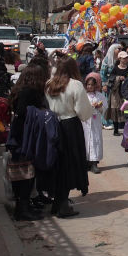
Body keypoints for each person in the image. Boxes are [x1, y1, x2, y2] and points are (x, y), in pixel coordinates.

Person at [45, 57, 93, 218]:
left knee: (58, 164)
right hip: (70, 127)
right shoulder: (75, 85)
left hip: (53, 125)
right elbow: (84, 111)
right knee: (70, 164)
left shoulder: (49, 84)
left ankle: (58, 202)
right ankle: (63, 204)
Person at [7, 60, 48, 221]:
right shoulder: (29, 92)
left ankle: (24, 206)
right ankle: (22, 209)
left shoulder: (20, 90)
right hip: (24, 138)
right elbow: (23, 114)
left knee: (23, 173)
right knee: (25, 174)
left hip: (20, 137)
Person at [83, 73, 106, 174]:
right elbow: (80, 107)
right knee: (86, 140)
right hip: (86, 121)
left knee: (95, 140)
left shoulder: (100, 96)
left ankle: (94, 163)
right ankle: (86, 162)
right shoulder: (83, 96)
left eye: (92, 85)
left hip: (96, 121)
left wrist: (99, 107)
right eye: (88, 85)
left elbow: (105, 108)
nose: (90, 87)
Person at [107, 51, 128, 136]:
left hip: (126, 92)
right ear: (120, 59)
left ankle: (127, 129)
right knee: (115, 110)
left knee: (126, 110)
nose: (126, 59)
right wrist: (118, 78)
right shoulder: (115, 68)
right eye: (124, 58)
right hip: (116, 92)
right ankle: (116, 129)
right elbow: (111, 79)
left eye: (127, 58)